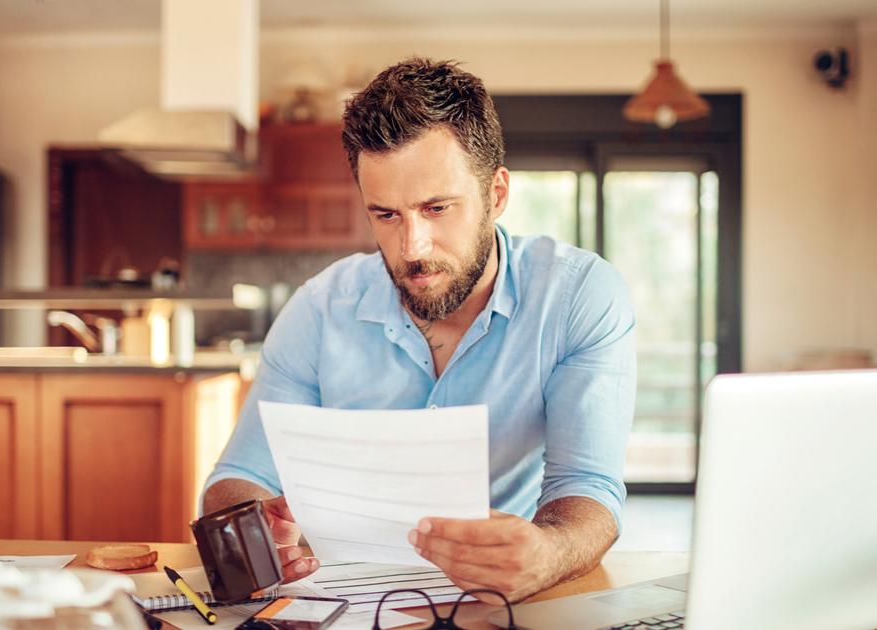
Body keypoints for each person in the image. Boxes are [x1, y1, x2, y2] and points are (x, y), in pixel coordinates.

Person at [202, 57, 636, 603]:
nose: (413, 248)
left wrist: (548, 552)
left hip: (503, 599)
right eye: (386, 215)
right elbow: (239, 473)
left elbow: (587, 486)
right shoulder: (317, 309)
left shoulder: (577, 296)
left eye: (437, 208)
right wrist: (249, 537)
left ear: (496, 194)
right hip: (345, 599)